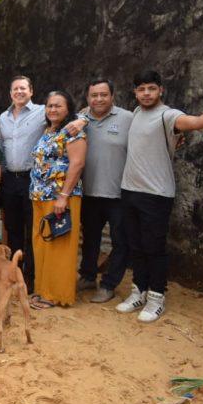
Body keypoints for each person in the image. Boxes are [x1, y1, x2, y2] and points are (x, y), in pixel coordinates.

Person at [116, 70, 203, 322]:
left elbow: (197, 122)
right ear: (135, 92)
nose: (146, 93)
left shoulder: (169, 115)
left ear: (161, 90)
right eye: (141, 89)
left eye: (151, 88)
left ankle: (156, 297)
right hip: (130, 190)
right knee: (135, 244)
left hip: (156, 193)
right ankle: (139, 291)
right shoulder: (135, 113)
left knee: (153, 247)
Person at [0, 76, 86, 293]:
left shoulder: (42, 112)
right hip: (13, 180)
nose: (19, 92)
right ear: (10, 93)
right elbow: (0, 144)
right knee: (14, 228)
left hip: (34, 179)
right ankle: (15, 274)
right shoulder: (3, 117)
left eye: (23, 88)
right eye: (15, 89)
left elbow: (81, 113)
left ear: (31, 91)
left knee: (36, 231)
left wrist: (83, 119)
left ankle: (31, 277)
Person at [75, 78, 133, 304]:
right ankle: (88, 275)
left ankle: (109, 284)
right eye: (94, 95)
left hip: (119, 193)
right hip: (88, 192)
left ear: (112, 96)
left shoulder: (128, 118)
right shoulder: (80, 119)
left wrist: (176, 138)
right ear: (88, 98)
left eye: (103, 95)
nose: (98, 99)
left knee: (120, 241)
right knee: (89, 239)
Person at [28, 90, 87, 309]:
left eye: (58, 106)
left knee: (59, 246)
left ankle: (56, 294)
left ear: (68, 108)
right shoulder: (48, 131)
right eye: (50, 106)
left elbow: (77, 164)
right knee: (42, 243)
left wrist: (63, 196)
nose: (53, 109)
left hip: (61, 197)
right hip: (40, 196)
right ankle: (43, 290)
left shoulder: (73, 132)